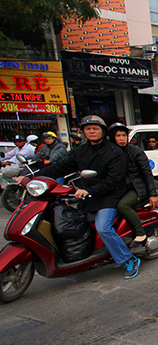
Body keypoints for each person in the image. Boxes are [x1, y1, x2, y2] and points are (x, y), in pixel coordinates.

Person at [28, 115, 141, 279]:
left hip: (109, 197)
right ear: (83, 132)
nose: (92, 131)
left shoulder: (114, 152)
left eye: (95, 128)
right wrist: (34, 177)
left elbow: (114, 181)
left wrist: (90, 191)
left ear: (102, 131)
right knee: (71, 222)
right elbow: (61, 166)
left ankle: (128, 258)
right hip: (88, 196)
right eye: (88, 129)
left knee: (103, 228)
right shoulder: (81, 150)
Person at [108, 123, 158, 248]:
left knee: (122, 205)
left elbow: (147, 174)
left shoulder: (135, 152)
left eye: (124, 135)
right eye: (118, 136)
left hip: (137, 189)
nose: (122, 138)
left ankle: (140, 233)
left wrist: (153, 194)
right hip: (119, 189)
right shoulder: (110, 153)